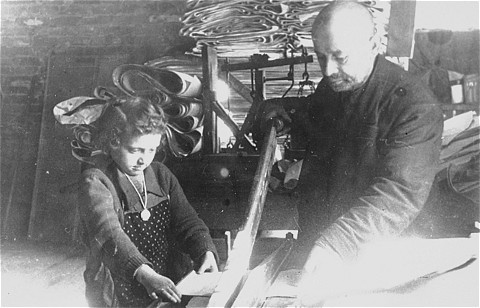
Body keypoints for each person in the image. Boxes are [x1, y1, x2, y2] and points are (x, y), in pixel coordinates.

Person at [260, 0, 443, 299]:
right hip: (324, 247)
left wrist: (338, 243)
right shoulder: (333, 88)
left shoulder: (413, 106)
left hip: (384, 255)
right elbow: (312, 122)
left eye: (340, 57)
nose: (329, 70)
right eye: (321, 57)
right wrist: (282, 116)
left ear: (373, 44)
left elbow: (399, 192)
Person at [76, 96, 218, 307]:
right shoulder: (96, 181)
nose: (144, 159)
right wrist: (144, 274)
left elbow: (187, 220)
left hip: (166, 280)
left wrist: (204, 249)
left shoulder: (161, 175)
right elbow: (110, 237)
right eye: (135, 150)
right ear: (113, 143)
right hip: (119, 287)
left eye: (151, 150)